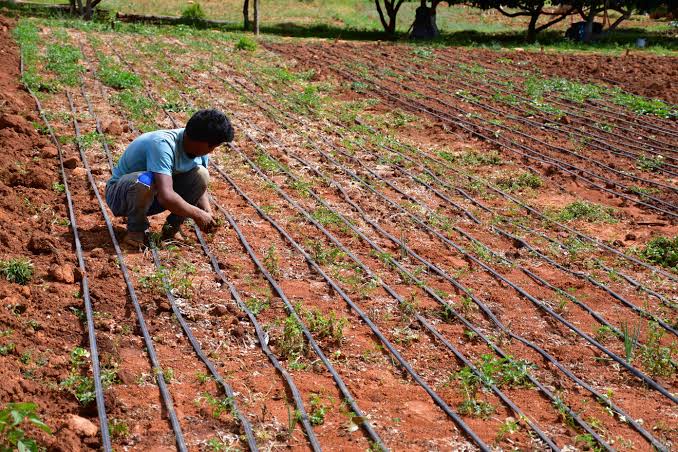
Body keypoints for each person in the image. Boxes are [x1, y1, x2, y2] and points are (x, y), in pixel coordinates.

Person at [105, 109, 233, 247]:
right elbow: (166, 196)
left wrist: (207, 212)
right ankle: (135, 232)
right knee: (145, 180)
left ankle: (171, 229)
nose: (212, 150)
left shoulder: (199, 149)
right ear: (200, 140)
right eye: (212, 145)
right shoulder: (162, 144)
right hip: (121, 197)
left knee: (201, 174)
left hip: (152, 197)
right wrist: (198, 214)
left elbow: (200, 186)